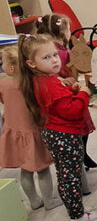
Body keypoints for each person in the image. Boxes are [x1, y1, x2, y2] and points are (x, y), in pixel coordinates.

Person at [17, 34, 96, 221]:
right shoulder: (50, 83)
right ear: (31, 63)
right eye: (46, 57)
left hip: (54, 134)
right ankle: (77, 215)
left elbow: (57, 102)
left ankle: (74, 208)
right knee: (71, 176)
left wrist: (71, 91)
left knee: (65, 174)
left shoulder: (42, 80)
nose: (54, 60)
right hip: (64, 136)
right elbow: (73, 111)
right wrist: (84, 94)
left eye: (54, 55)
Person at [35, 13, 97, 170]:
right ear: (63, 32)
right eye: (69, 29)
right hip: (65, 94)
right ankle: (80, 154)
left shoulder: (62, 49)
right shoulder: (55, 53)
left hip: (73, 90)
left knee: (83, 126)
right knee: (78, 125)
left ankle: (83, 153)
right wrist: (62, 81)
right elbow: (46, 75)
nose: (70, 31)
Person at [0, 46, 61, 210]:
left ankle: (34, 200)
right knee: (43, 170)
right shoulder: (33, 82)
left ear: (11, 68)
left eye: (2, 63)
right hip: (34, 130)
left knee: (25, 170)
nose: (2, 66)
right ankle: (49, 201)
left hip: (14, 132)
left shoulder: (3, 83)